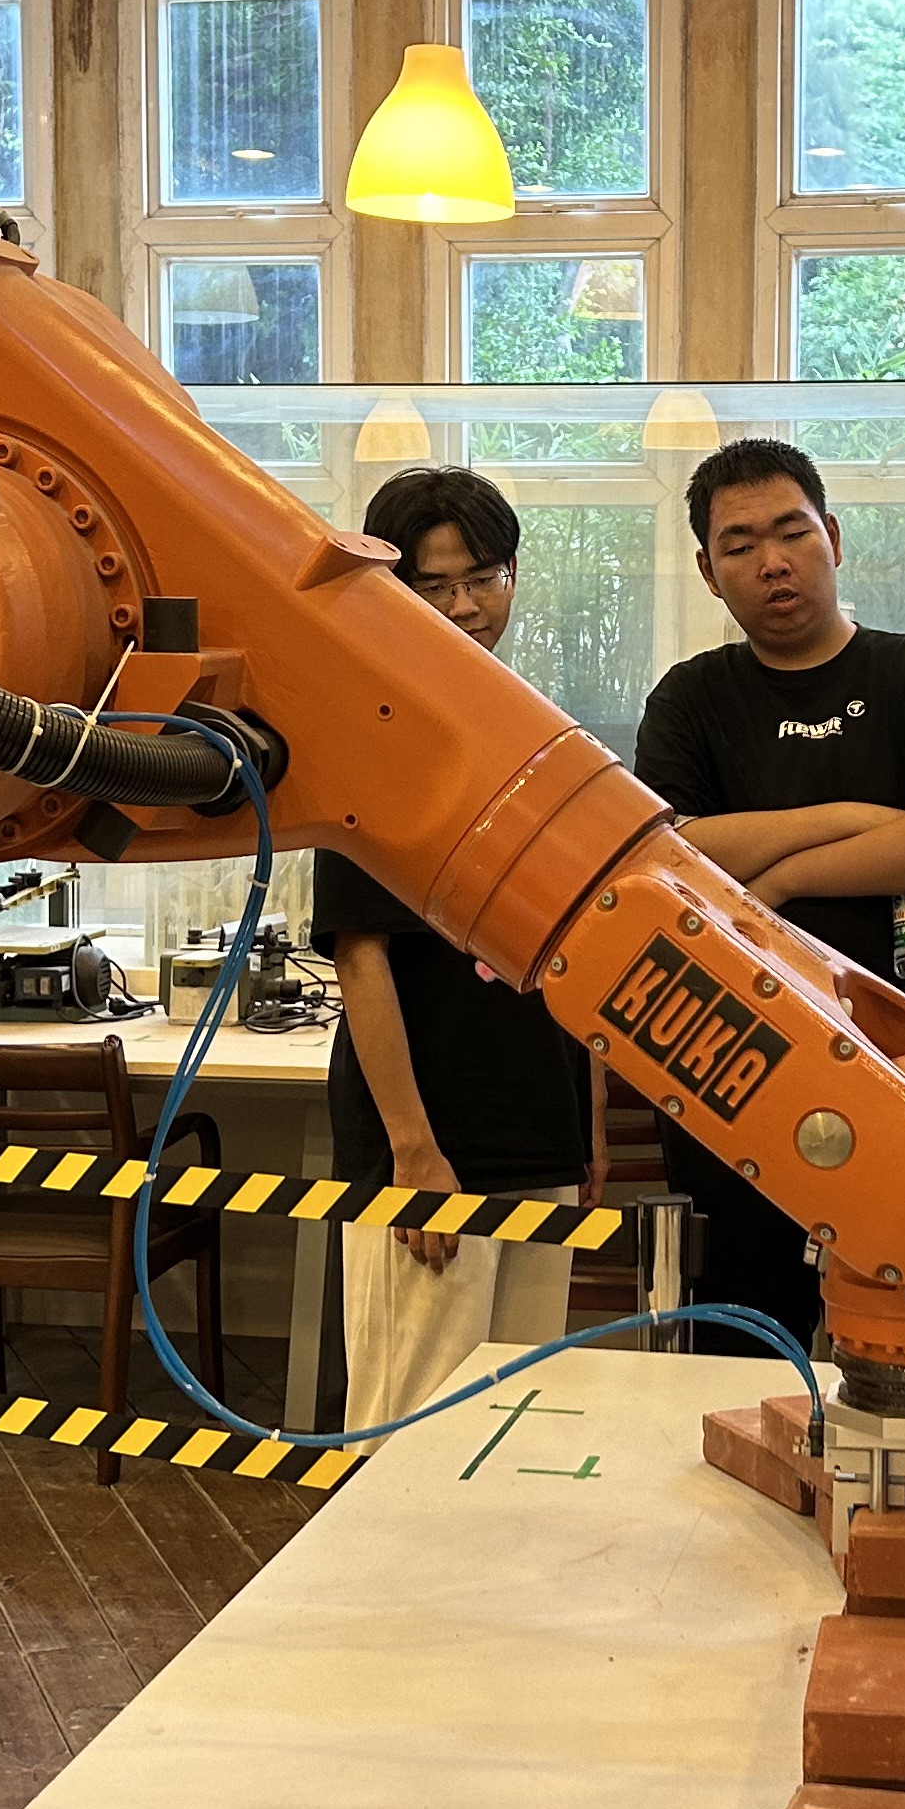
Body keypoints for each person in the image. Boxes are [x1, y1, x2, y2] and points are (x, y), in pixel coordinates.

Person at [632, 438, 905, 1354]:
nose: (773, 561)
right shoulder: (690, 698)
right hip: (734, 1064)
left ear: (832, 538)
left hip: (902, 1063)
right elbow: (669, 852)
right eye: (740, 544)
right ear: (709, 572)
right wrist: (853, 818)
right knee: (743, 1338)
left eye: (792, 532)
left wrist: (786, 877)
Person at [317, 470, 596, 1428]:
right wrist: (413, 1152)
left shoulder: (534, 729)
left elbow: (573, 949)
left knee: (517, 1418)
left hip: (536, 1126)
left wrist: (583, 1130)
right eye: (433, 585)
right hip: (431, 1147)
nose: (465, 606)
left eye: (483, 578)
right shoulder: (367, 738)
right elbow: (362, 959)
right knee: (410, 1421)